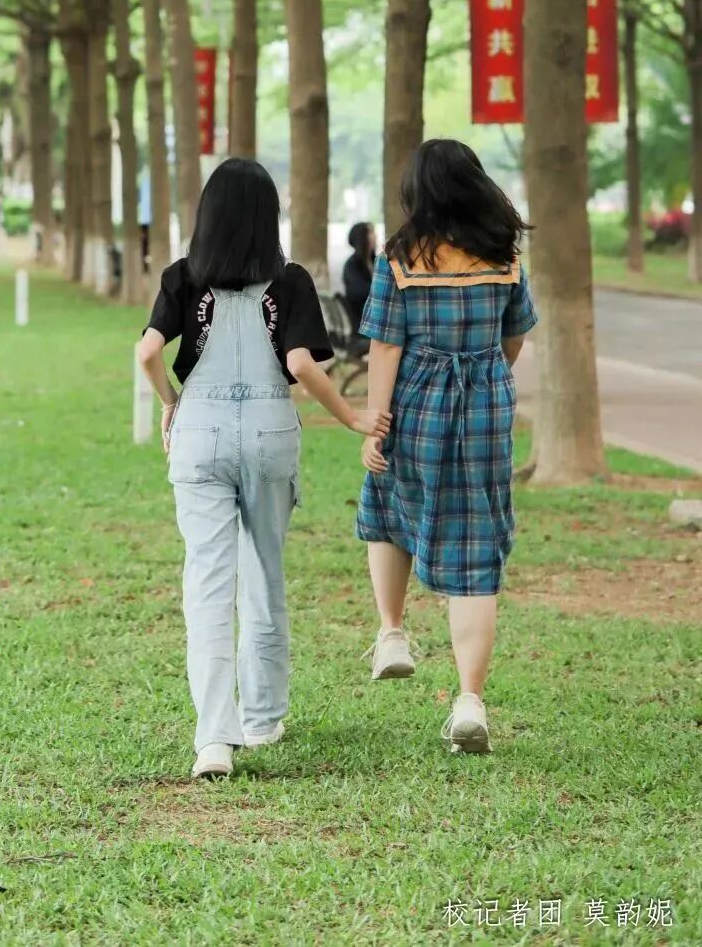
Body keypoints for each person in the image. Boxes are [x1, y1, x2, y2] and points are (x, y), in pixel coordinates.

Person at [138, 158, 391, 781]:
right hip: (270, 431)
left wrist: (170, 403)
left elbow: (147, 351)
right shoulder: (290, 280)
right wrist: (351, 416)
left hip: (199, 429)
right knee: (264, 574)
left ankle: (213, 739)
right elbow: (302, 365)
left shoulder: (182, 276)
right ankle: (262, 719)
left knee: (206, 583)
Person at [355, 138, 537, 755]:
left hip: (417, 402)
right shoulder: (503, 254)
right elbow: (515, 338)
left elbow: (385, 345)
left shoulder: (402, 257)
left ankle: (392, 632)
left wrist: (377, 423)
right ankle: (469, 702)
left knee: (387, 501)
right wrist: (485, 373)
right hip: (486, 406)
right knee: (475, 548)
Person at [341, 222, 377, 355]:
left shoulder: (376, 261)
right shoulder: (351, 265)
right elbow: (361, 292)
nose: (375, 236)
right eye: (370, 232)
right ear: (361, 237)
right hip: (362, 326)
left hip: (378, 320)